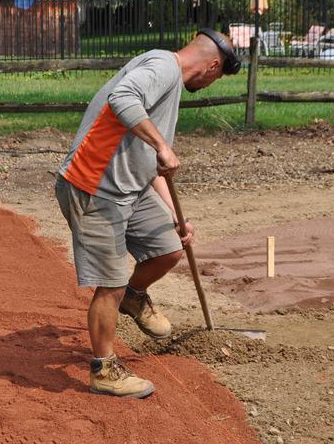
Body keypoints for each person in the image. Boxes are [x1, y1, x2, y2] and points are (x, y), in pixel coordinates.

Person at [55, 29, 240, 398]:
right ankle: (104, 371)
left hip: (131, 188)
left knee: (169, 247)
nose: (208, 85)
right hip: (96, 187)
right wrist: (161, 144)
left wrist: (177, 218)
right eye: (215, 78)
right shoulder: (163, 67)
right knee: (109, 282)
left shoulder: (167, 83)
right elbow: (121, 97)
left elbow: (152, 164)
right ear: (213, 65)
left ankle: (134, 296)